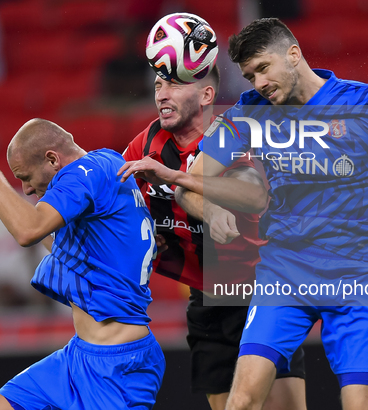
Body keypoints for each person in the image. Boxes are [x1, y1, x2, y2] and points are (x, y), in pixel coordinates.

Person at [119, 17, 368, 410]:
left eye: (264, 68)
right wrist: (210, 206)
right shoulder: (252, 110)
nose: (259, 83)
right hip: (284, 276)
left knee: (365, 403)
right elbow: (194, 179)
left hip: (356, 282)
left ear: (294, 55)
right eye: (250, 76)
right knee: (242, 400)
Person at [0, 116, 165, 409]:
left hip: (119, 366)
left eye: (26, 178)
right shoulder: (104, 163)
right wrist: (10, 210)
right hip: (77, 358)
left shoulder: (83, 174)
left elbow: (28, 230)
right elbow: (58, 244)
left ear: (53, 159)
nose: (27, 189)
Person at [118, 65, 307, 409]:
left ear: (206, 95)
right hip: (205, 304)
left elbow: (253, 191)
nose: (161, 93)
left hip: (260, 297)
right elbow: (103, 188)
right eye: (159, 85)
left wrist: (208, 204)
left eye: (174, 85)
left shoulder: (232, 137)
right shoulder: (147, 143)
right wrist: (47, 193)